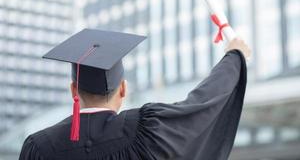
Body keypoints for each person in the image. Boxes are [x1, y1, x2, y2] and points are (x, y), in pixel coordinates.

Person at [19, 28, 251, 160]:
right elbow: (201, 104)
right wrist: (233, 56)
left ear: (73, 91)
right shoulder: (147, 129)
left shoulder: (37, 147)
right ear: (123, 89)